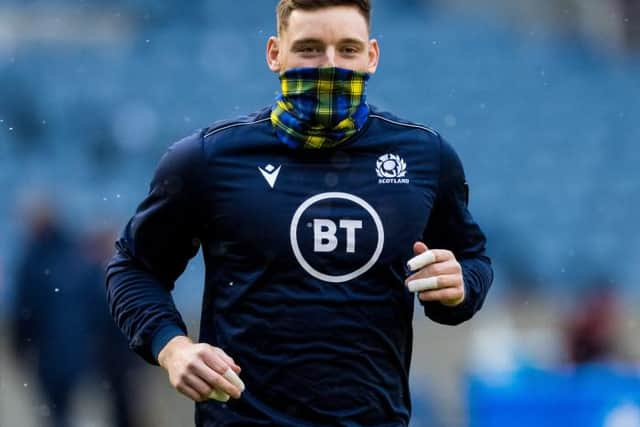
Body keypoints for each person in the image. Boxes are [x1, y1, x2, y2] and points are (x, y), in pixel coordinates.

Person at [106, 1, 493, 425]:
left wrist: (459, 287)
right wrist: (172, 347)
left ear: (372, 56)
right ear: (275, 53)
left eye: (347, 50)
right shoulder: (207, 160)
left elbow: (472, 261)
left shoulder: (424, 157)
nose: (330, 65)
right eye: (309, 48)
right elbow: (133, 268)